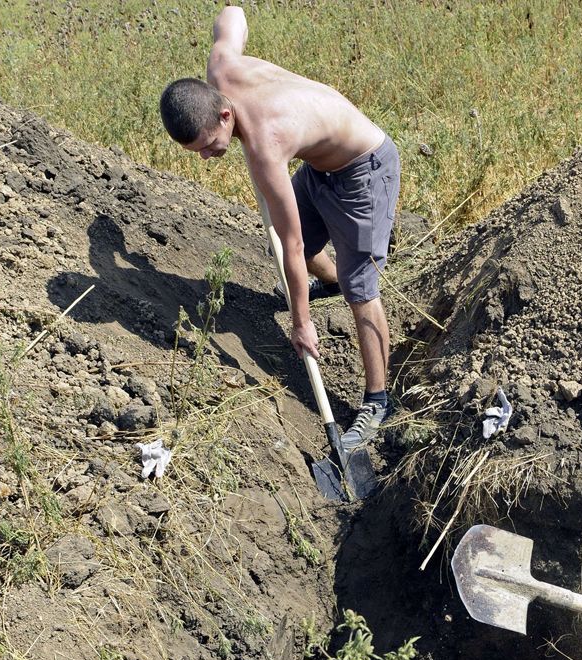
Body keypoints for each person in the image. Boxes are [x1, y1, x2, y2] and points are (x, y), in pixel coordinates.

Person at [158, 5, 400, 449]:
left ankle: (378, 401)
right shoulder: (220, 68)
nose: (207, 157)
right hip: (320, 167)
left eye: (210, 145)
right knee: (307, 251)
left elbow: (290, 245)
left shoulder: (266, 147)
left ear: (225, 116)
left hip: (363, 171)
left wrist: (301, 323)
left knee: (360, 287)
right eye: (198, 151)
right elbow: (232, 13)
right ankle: (331, 282)